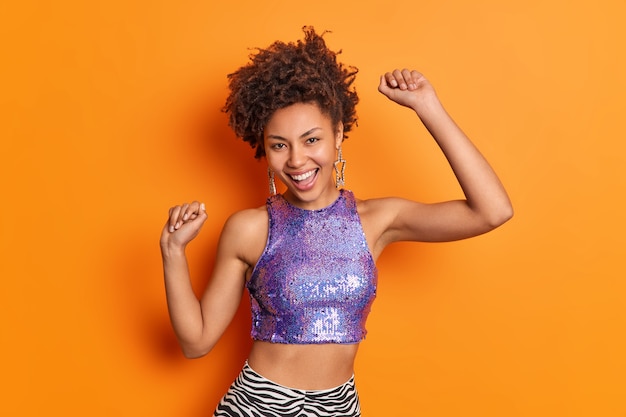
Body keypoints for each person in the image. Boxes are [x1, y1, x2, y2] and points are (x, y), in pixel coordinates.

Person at [160, 26, 512, 417]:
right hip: (261, 405)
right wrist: (173, 251)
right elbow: (197, 342)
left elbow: (492, 211)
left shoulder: (377, 220)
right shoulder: (249, 229)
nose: (296, 160)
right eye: (279, 145)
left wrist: (427, 106)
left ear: (338, 134)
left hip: (340, 407)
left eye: (311, 140)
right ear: (265, 148)